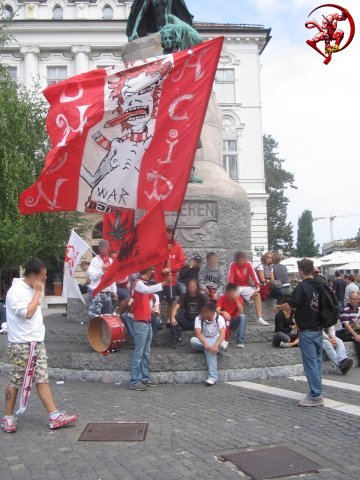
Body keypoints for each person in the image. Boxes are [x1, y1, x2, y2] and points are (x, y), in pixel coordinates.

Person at [3, 259, 78, 433]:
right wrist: (37, 292)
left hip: (36, 343)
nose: (46, 278)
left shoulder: (29, 289)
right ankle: (8, 418)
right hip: (22, 344)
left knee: (42, 378)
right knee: (15, 381)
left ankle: (54, 415)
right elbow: (27, 313)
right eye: (44, 274)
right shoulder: (17, 291)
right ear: (35, 275)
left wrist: (36, 291)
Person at [274, 258, 324, 407]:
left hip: (307, 331)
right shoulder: (320, 284)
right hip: (319, 329)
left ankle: (316, 395)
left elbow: (291, 304)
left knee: (310, 364)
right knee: (317, 362)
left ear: (301, 271)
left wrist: (278, 307)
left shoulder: (302, 287)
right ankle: (317, 390)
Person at [130, 267, 171, 391]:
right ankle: (135, 380)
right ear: (148, 272)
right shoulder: (138, 284)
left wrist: (152, 310)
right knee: (139, 352)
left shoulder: (142, 284)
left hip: (146, 322)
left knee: (145, 352)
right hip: (141, 323)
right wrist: (164, 283)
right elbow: (147, 290)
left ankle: (144, 378)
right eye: (151, 271)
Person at [154, 227, 185, 327]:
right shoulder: (159, 246)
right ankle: (157, 319)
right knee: (157, 300)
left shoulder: (178, 247)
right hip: (159, 279)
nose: (170, 235)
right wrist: (165, 251)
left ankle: (169, 319)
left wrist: (170, 269)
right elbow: (154, 259)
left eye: (171, 233)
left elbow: (181, 262)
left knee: (171, 300)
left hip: (171, 280)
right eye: (168, 233)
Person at [190, 302, 226, 386]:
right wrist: (206, 343)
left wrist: (216, 345)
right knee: (193, 341)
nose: (203, 314)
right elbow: (198, 333)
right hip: (204, 340)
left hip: (217, 340)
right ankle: (217, 346)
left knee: (209, 350)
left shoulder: (219, 318)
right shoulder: (198, 318)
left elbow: (222, 333)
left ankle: (213, 377)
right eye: (203, 312)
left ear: (212, 312)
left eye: (205, 312)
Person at [228, 251, 268, 326]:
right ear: (237, 260)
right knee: (234, 296)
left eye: (244, 259)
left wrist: (258, 287)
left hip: (245, 287)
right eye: (241, 260)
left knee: (257, 295)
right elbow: (230, 278)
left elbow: (254, 276)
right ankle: (237, 318)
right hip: (235, 286)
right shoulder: (233, 264)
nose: (243, 261)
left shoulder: (248, 264)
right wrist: (232, 289)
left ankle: (260, 318)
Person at [171, 279, 207, 346]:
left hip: (198, 321)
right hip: (187, 320)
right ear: (187, 287)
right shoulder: (184, 296)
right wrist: (172, 317)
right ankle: (177, 339)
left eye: (194, 286)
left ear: (197, 287)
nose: (192, 288)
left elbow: (208, 307)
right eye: (190, 286)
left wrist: (203, 315)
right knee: (175, 318)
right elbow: (176, 308)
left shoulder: (201, 296)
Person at [87, 240, 117, 319]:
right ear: (99, 249)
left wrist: (114, 291)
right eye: (104, 248)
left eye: (107, 248)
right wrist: (102, 270)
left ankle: (104, 331)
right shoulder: (94, 261)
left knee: (107, 316)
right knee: (94, 316)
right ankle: (93, 331)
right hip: (97, 291)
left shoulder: (110, 260)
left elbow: (112, 278)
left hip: (107, 292)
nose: (105, 250)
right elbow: (92, 276)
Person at [216, 283, 246, 348]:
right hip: (224, 321)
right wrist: (223, 312)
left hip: (233, 321)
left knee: (242, 316)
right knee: (223, 317)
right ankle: (223, 340)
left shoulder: (239, 298)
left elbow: (241, 312)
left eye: (234, 292)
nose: (232, 294)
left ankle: (240, 342)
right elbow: (217, 310)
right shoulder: (222, 298)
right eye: (230, 292)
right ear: (227, 292)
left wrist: (237, 301)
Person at [337, 292, 360, 366]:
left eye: (355, 299)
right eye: (351, 299)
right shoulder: (345, 310)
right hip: (348, 332)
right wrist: (355, 335)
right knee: (358, 339)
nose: (353, 301)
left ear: (358, 300)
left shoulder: (359, 309)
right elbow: (346, 325)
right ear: (349, 299)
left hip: (357, 331)